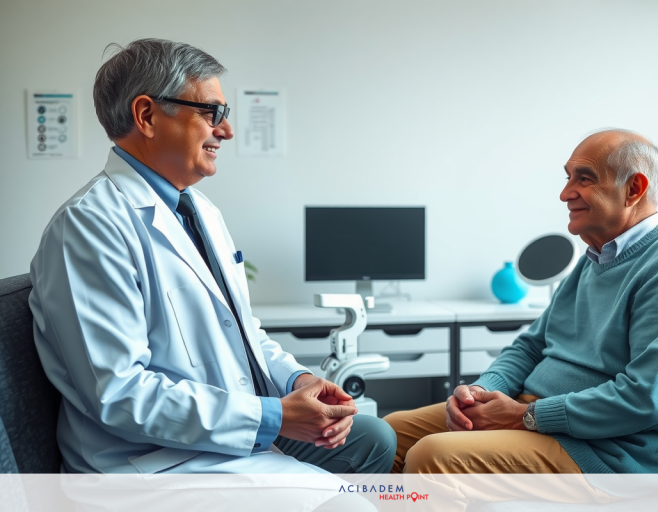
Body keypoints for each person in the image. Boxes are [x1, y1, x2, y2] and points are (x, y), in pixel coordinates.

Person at [28, 37, 396, 490]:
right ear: (146, 116)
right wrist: (274, 416)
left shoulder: (200, 212)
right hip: (151, 462)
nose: (226, 131)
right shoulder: (89, 227)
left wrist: (299, 381)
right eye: (212, 113)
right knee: (348, 501)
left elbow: (243, 334)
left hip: (222, 432)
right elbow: (119, 395)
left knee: (374, 438)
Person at [384, 129, 658, 502]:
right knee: (390, 434)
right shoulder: (595, 260)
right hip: (538, 413)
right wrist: (484, 391)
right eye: (568, 177)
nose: (566, 193)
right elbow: (531, 346)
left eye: (584, 179)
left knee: (431, 456)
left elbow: (646, 398)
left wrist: (524, 417)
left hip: (608, 454)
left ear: (634, 189)